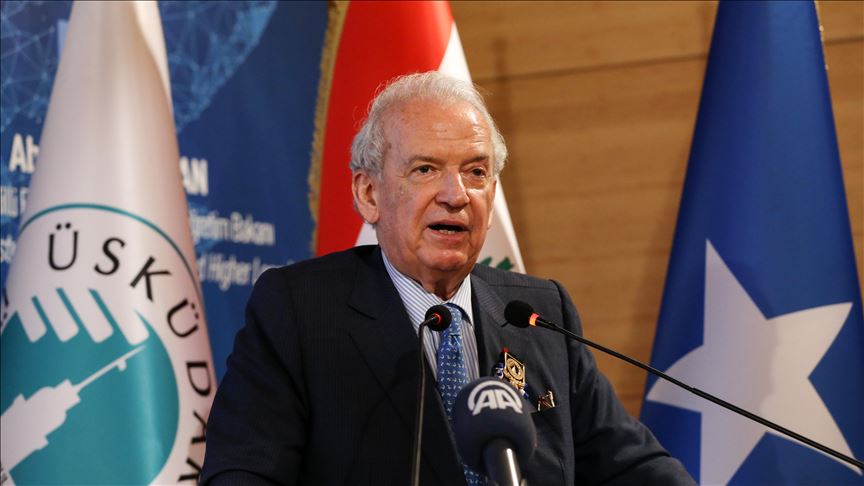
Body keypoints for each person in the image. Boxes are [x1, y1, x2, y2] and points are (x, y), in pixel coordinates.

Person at [202, 72, 694, 485]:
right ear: (369, 194)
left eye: (476, 172)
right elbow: (241, 475)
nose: (455, 195)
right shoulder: (300, 311)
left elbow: (633, 467)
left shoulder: (540, 314)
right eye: (425, 169)